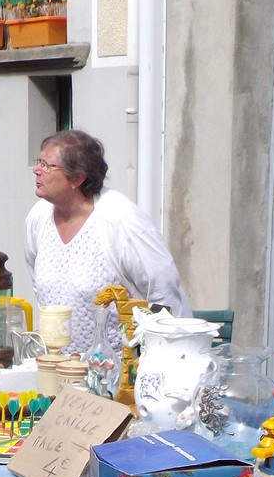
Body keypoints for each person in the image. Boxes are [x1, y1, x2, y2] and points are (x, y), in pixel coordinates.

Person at [22, 129, 189, 354]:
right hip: (58, 369)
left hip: (116, 375)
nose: (37, 170)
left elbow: (164, 293)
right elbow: (39, 284)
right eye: (39, 161)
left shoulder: (123, 221)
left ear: (77, 178)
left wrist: (152, 363)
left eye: (48, 165)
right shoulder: (39, 217)